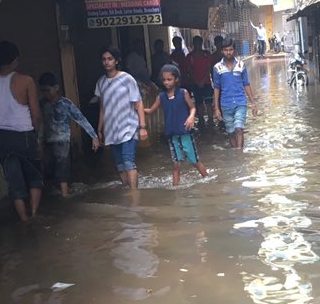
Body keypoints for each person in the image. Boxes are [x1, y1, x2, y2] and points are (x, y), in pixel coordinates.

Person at [0, 41, 43, 222]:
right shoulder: (26, 81)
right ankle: (35, 214)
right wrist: (35, 134)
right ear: (15, 60)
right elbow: (36, 114)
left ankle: (23, 220)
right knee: (34, 177)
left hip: (1, 137)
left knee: (14, 182)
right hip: (24, 135)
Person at [37, 72, 100, 197]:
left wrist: (94, 136)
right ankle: (55, 194)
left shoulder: (65, 104)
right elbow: (39, 122)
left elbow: (81, 119)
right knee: (48, 168)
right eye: (43, 91)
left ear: (56, 88)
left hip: (62, 141)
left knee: (62, 168)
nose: (46, 93)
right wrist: (38, 141)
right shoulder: (42, 104)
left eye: (48, 90)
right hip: (47, 141)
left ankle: (65, 196)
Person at [145, 64, 208, 186]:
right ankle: (176, 189)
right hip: (172, 136)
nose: (166, 82)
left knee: (194, 161)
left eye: (169, 79)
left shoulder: (183, 93)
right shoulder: (161, 96)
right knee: (176, 164)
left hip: (185, 133)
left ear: (176, 79)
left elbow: (192, 108)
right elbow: (151, 110)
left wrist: (190, 117)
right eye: (164, 80)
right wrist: (137, 108)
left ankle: (207, 180)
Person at [95, 47, 148, 190]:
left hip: (128, 127)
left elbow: (138, 103)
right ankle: (127, 190)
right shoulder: (101, 82)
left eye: (110, 59)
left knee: (128, 161)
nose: (107, 62)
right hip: (111, 129)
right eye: (104, 59)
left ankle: (134, 196)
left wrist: (142, 127)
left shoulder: (126, 79)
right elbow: (102, 108)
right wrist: (99, 130)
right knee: (119, 164)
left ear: (116, 61)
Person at [212, 38, 258, 150]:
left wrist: (253, 103)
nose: (228, 52)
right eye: (226, 50)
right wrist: (216, 108)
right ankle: (236, 154)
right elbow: (216, 88)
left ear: (234, 50)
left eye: (231, 49)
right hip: (225, 104)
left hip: (240, 102)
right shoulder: (217, 68)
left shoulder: (241, 65)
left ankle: (239, 154)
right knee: (231, 132)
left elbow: (246, 84)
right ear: (222, 51)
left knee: (239, 128)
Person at [186, 35, 214, 126]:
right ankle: (201, 121)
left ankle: (210, 120)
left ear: (201, 43)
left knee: (209, 103)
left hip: (206, 83)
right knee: (199, 103)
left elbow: (208, 68)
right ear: (193, 44)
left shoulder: (207, 54)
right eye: (196, 43)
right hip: (196, 83)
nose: (198, 45)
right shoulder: (189, 57)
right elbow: (190, 71)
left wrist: (202, 80)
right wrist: (197, 81)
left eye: (199, 43)